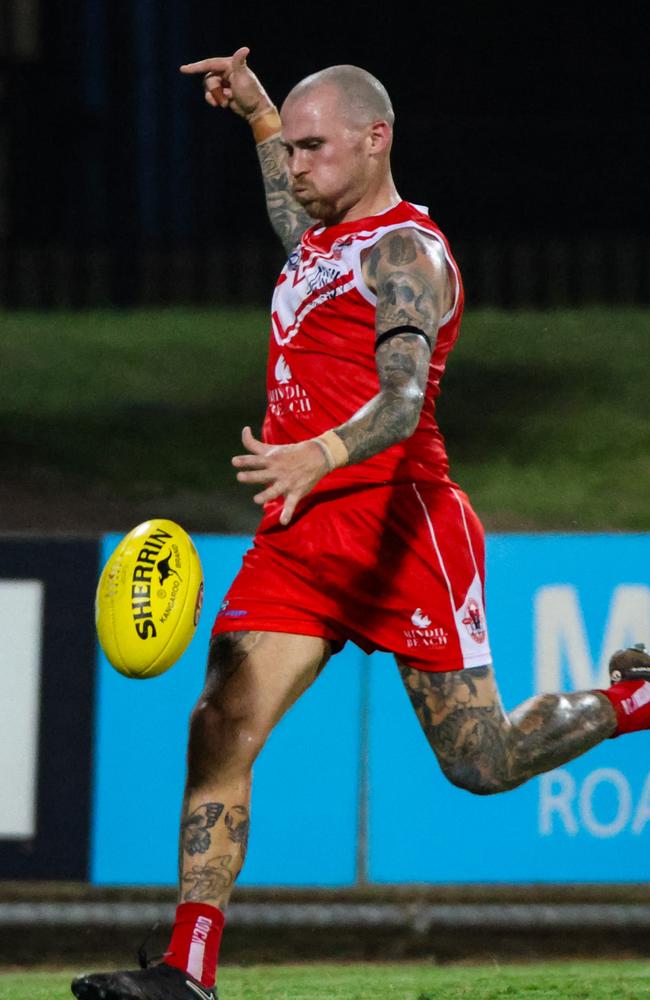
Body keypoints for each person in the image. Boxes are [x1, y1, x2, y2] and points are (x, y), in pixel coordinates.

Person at [72, 46, 650, 1000]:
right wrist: (259, 113)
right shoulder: (320, 240)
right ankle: (190, 971)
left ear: (374, 141)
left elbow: (405, 396)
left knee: (483, 762)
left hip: (401, 529)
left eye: (313, 148)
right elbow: (284, 209)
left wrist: (316, 455)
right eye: (291, 150)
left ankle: (634, 703)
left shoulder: (407, 255)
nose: (297, 167)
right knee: (218, 725)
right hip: (301, 534)